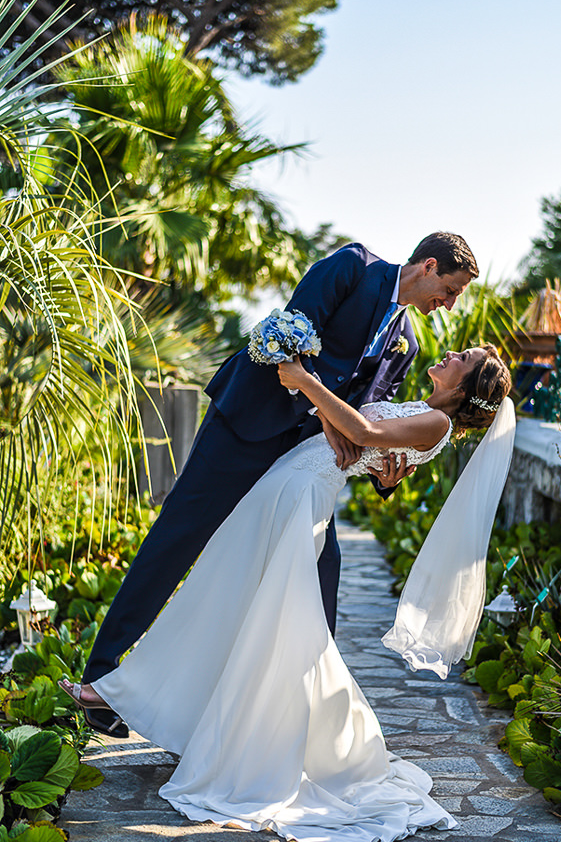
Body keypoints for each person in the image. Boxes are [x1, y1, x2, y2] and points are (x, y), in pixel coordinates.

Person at [61, 344, 514, 842]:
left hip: (301, 498)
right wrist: (328, 413)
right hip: (286, 486)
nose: (451, 352)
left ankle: (241, 735)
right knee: (222, 600)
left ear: (464, 387)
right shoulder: (423, 410)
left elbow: (363, 433)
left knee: (259, 617)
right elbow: (358, 434)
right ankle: (158, 705)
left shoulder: (437, 425)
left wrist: (301, 378)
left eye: (463, 358)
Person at [81, 232, 479, 737]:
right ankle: (102, 679)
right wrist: (334, 422)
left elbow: (373, 421)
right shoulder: (354, 268)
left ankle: (299, 719)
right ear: (427, 266)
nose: (447, 304)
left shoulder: (408, 344)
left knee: (321, 572)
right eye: (451, 290)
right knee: (178, 541)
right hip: (245, 427)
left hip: (300, 465)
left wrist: (387, 470)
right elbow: (289, 340)